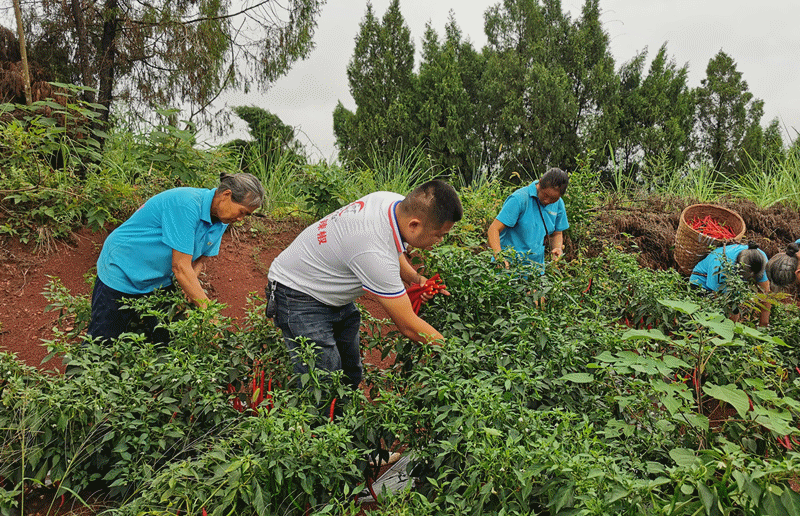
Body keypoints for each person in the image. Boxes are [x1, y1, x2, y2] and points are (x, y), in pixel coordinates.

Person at [267, 180, 462, 391]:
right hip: (297, 292)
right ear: (414, 225)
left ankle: (341, 416)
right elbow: (408, 325)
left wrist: (416, 279)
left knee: (350, 372)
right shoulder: (372, 251)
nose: (441, 240)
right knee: (323, 384)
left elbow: (392, 248)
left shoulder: (393, 204)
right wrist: (456, 355)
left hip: (326, 285)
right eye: (439, 234)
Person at [86, 172, 264, 342]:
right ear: (226, 194)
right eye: (242, 212)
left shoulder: (222, 219)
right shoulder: (186, 205)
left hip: (158, 280)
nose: (241, 219)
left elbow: (200, 259)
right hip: (123, 268)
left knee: (166, 338)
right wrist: (209, 312)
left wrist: (190, 287)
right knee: (103, 341)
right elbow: (180, 267)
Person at [487, 168, 569, 273]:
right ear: (540, 183)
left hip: (535, 272)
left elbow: (556, 233)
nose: (548, 201)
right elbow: (493, 229)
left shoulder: (558, 203)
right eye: (545, 195)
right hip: (508, 269)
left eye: (553, 199)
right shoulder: (519, 199)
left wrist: (558, 248)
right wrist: (499, 257)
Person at [690, 242, 772, 326]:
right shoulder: (720, 266)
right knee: (713, 319)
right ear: (738, 266)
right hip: (701, 283)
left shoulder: (760, 259)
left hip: (730, 282)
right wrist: (732, 324)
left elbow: (765, 294)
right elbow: (721, 300)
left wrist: (764, 324)